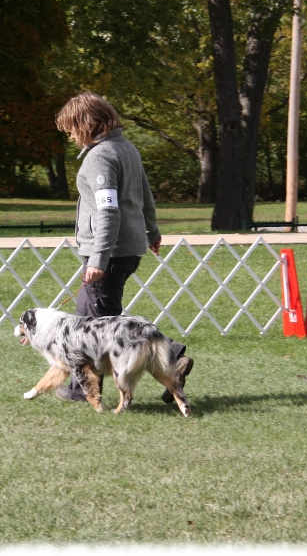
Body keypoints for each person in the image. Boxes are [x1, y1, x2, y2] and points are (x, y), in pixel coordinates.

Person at [53, 92, 193, 404]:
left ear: (87, 124)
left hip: (110, 252)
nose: (72, 136)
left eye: (73, 128)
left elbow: (108, 211)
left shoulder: (101, 157)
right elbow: (145, 194)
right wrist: (152, 230)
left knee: (92, 325)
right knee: (101, 318)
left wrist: (98, 257)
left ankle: (83, 389)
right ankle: (169, 356)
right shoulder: (126, 148)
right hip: (128, 248)